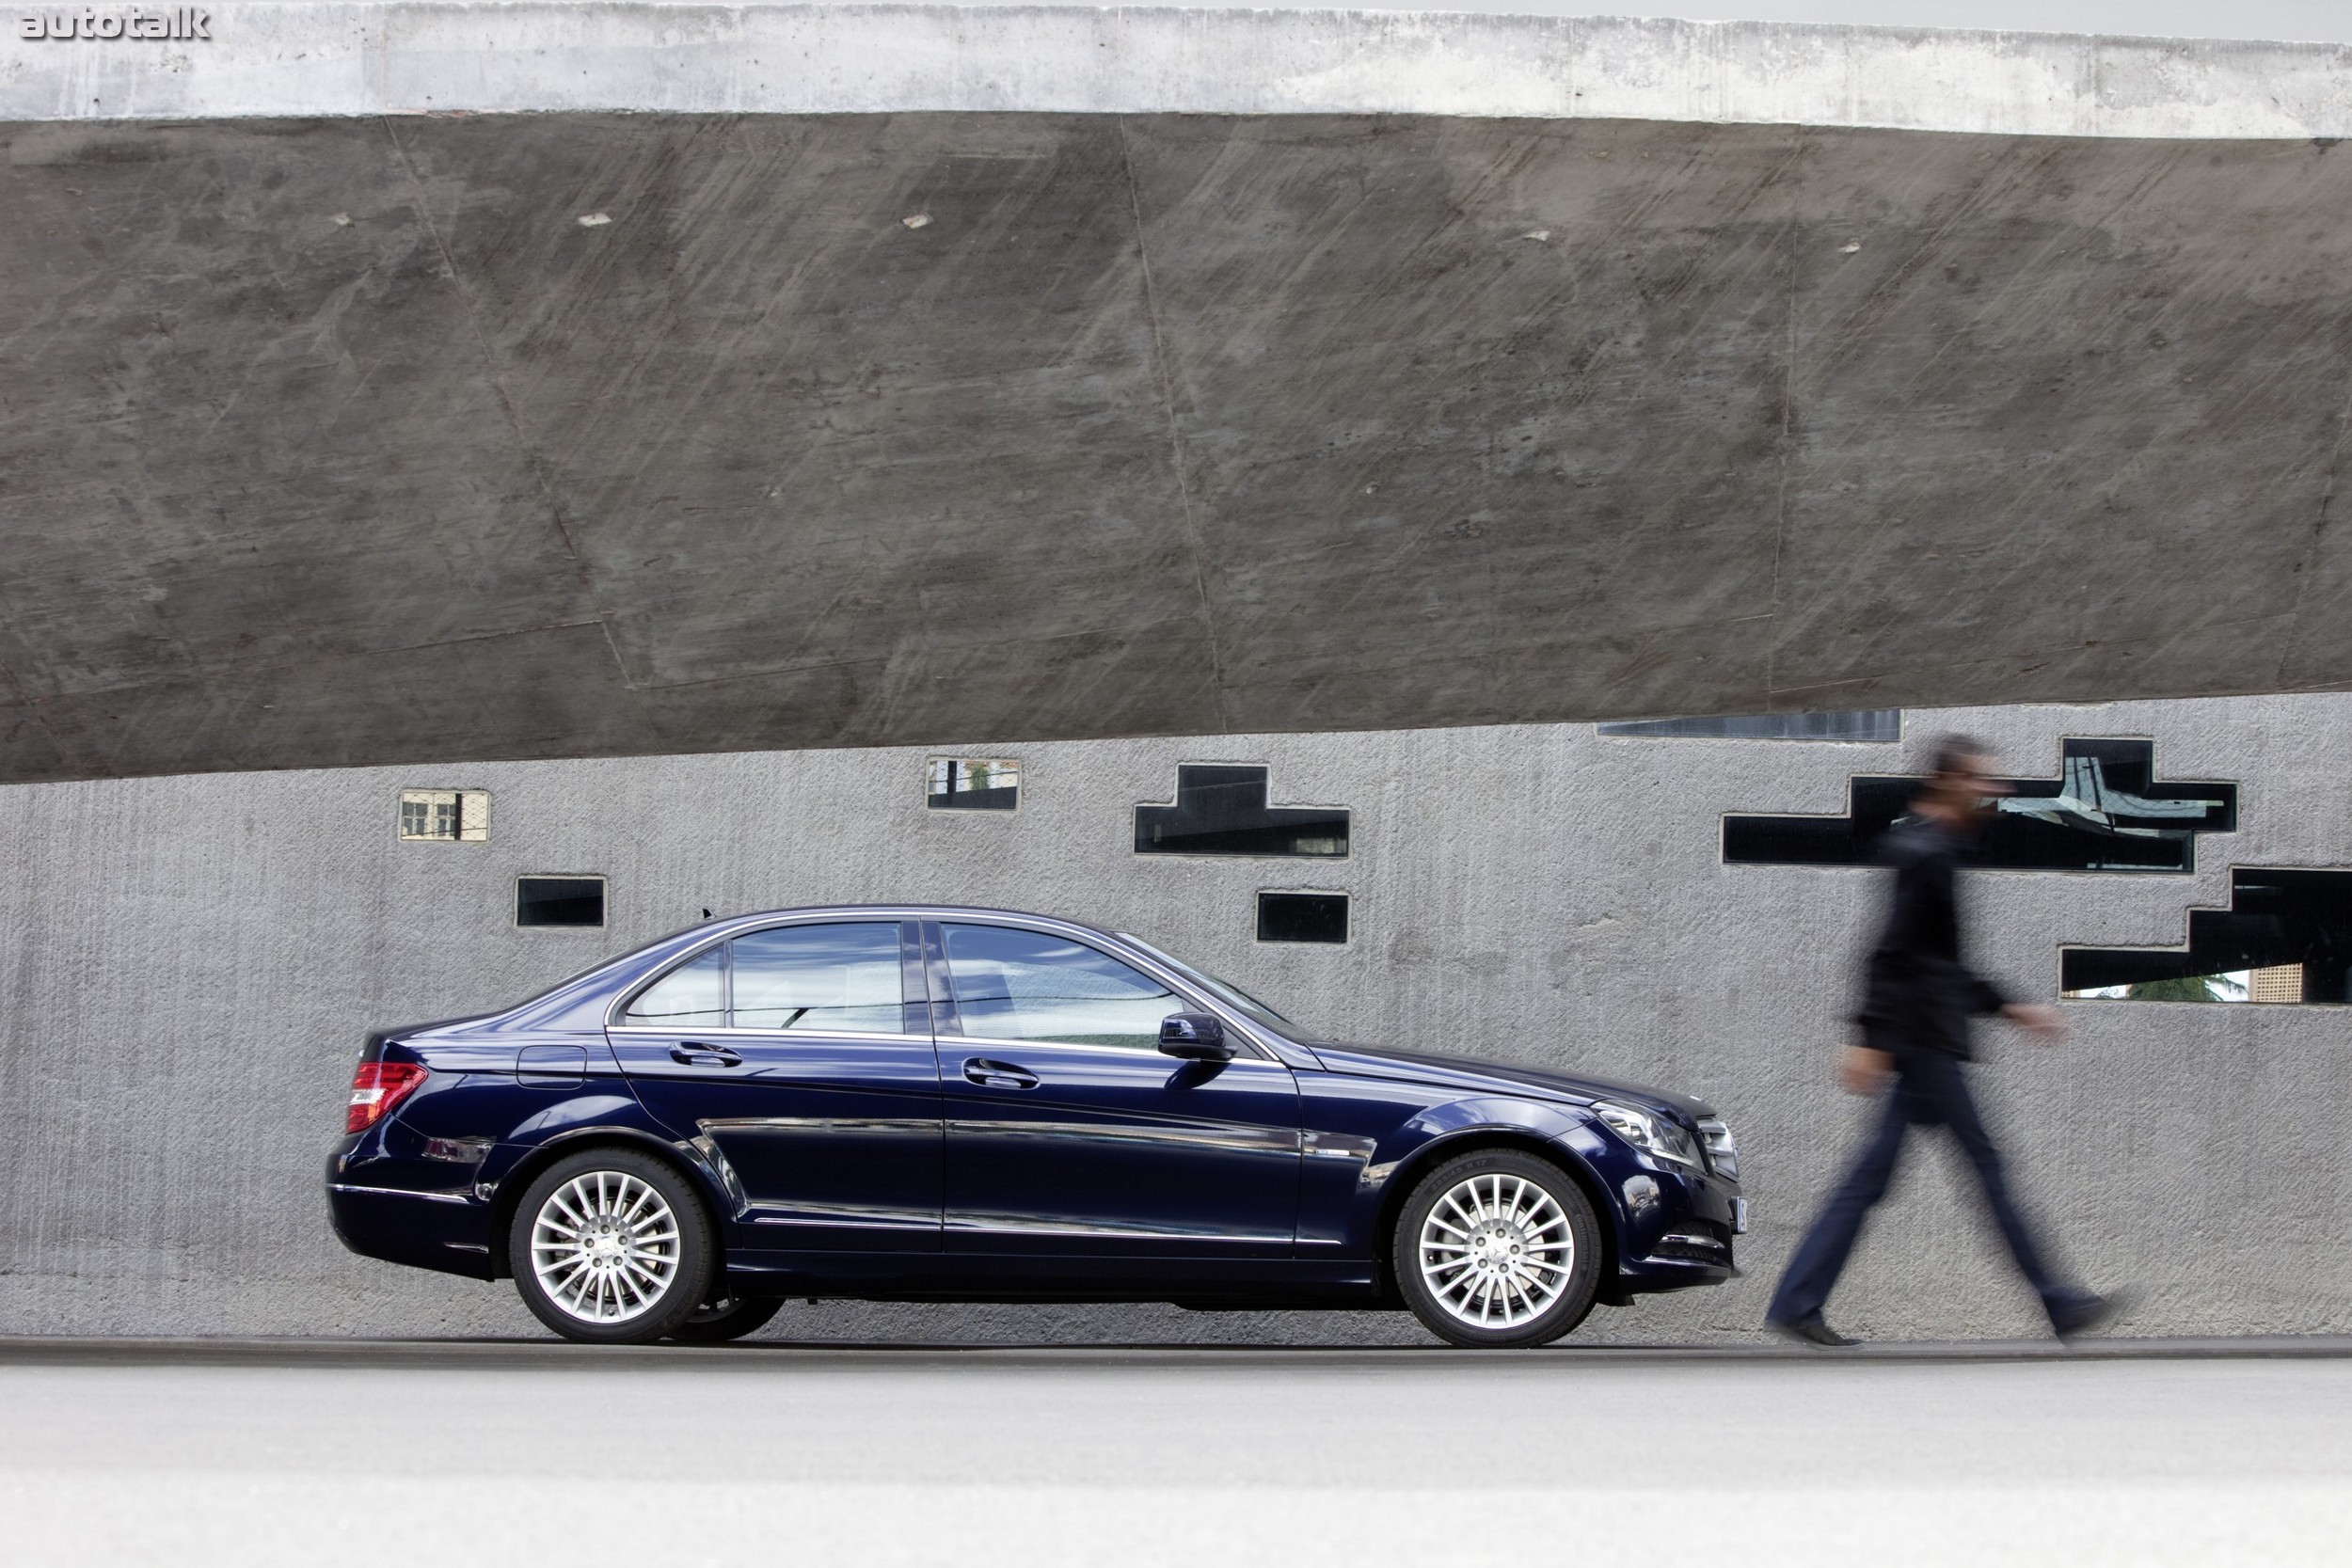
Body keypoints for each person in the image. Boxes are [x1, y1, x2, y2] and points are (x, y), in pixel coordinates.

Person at [1766, 734, 2120, 1347]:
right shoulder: (1925, 853)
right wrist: (1872, 1037)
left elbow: (1938, 962)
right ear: (1949, 782)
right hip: (1922, 1044)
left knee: (1873, 1179)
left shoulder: (1935, 851)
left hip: (1923, 1040)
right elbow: (1893, 951)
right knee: (1986, 1171)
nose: (1997, 791)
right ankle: (2060, 1303)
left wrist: (2009, 1008)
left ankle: (1797, 1300)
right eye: (1985, 779)